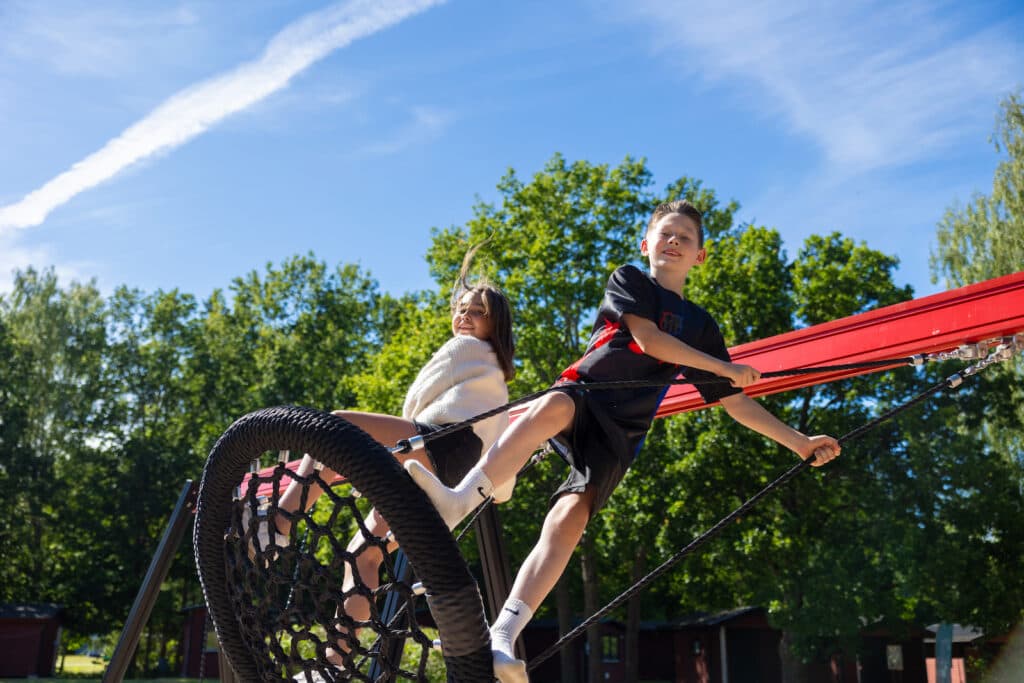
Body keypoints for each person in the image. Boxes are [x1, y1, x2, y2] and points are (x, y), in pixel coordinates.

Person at [405, 200, 842, 683]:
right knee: (553, 404)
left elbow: (734, 402)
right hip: (589, 392)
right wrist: (723, 367)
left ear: (700, 256)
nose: (673, 242)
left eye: (685, 238)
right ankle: (459, 500)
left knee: (569, 518)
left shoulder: (701, 326)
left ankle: (504, 634)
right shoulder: (630, 280)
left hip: (623, 431)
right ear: (646, 244)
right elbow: (649, 340)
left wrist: (799, 441)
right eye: (665, 234)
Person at [246, 245, 516, 678]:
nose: (464, 318)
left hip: (438, 445)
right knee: (362, 553)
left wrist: (375, 459)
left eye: (477, 312)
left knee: (333, 428)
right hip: (443, 470)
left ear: (495, 325)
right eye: (461, 310)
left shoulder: (468, 352)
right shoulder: (497, 378)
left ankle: (278, 521)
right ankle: (336, 662)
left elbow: (418, 405)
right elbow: (501, 451)